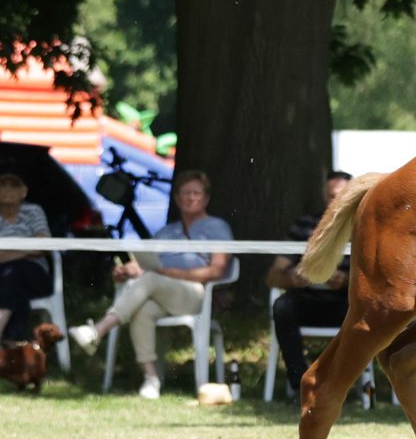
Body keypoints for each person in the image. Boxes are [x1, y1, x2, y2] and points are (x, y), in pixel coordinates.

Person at [68, 170, 232, 399]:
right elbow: (149, 263)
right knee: (143, 309)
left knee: (152, 278)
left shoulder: (217, 227)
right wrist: (128, 271)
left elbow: (216, 270)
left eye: (196, 193)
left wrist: (164, 272)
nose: (191, 198)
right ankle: (151, 379)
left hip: (197, 293)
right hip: (159, 290)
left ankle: (98, 330)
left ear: (206, 198)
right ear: (177, 199)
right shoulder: (166, 232)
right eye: (185, 193)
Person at [266, 171, 352, 400]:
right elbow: (273, 276)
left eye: (342, 197)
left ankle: (336, 386)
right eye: (331, 196)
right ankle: (302, 384)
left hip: (346, 304)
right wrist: (292, 278)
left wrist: (347, 281)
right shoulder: (303, 226)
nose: (336, 202)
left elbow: (379, 280)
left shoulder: (366, 228)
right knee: (282, 306)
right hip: (306, 301)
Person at [0, 171, 53, 344]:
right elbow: (33, 247)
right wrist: (26, 249)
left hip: (35, 275)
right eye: (3, 186)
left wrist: (11, 254)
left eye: (14, 186)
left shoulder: (33, 211)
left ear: (24, 191)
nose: (7, 190)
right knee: (15, 283)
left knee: (14, 271)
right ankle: (12, 341)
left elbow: (42, 245)